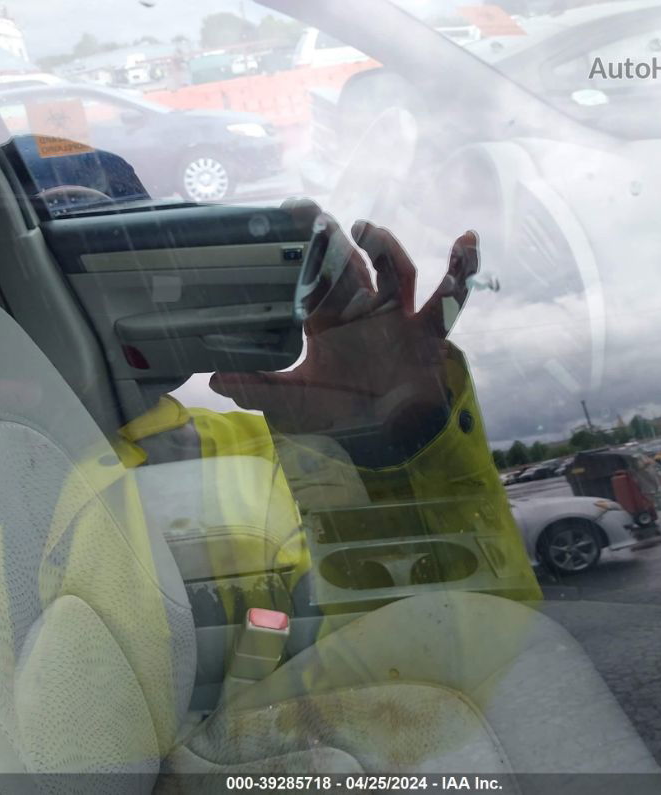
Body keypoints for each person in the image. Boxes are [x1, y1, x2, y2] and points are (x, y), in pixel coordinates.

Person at [116, 201, 541, 620]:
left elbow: (487, 644)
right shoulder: (262, 447)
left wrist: (390, 435)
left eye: (136, 255)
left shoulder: (263, 447)